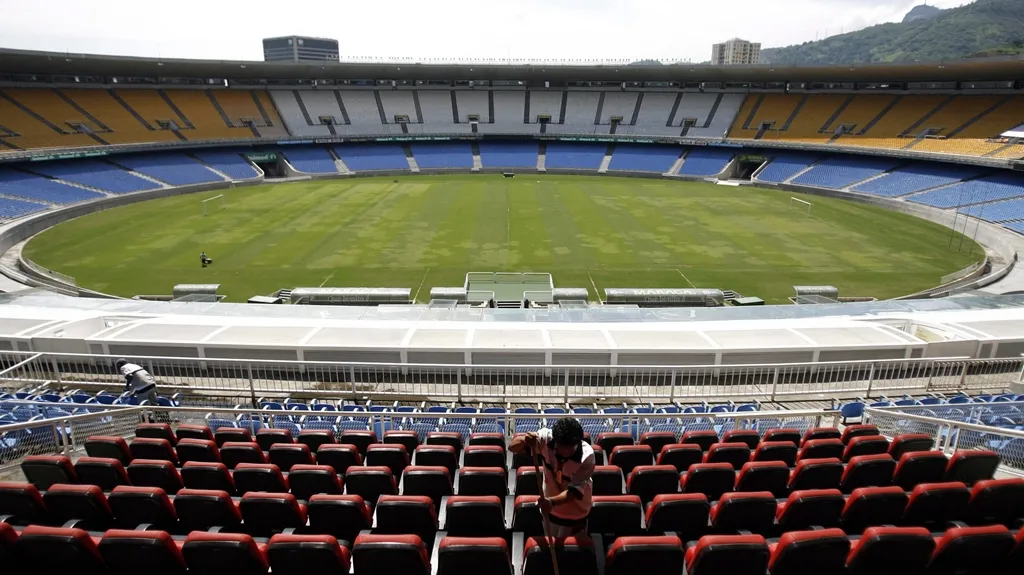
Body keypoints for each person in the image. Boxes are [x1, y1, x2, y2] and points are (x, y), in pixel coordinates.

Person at [509, 417, 595, 538]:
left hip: (576, 513)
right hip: (550, 511)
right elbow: (512, 447)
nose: (566, 452)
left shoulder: (587, 456)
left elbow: (573, 493)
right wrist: (524, 439)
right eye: (562, 447)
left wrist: (551, 502)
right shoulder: (545, 439)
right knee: (552, 548)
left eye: (570, 448)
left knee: (572, 553)